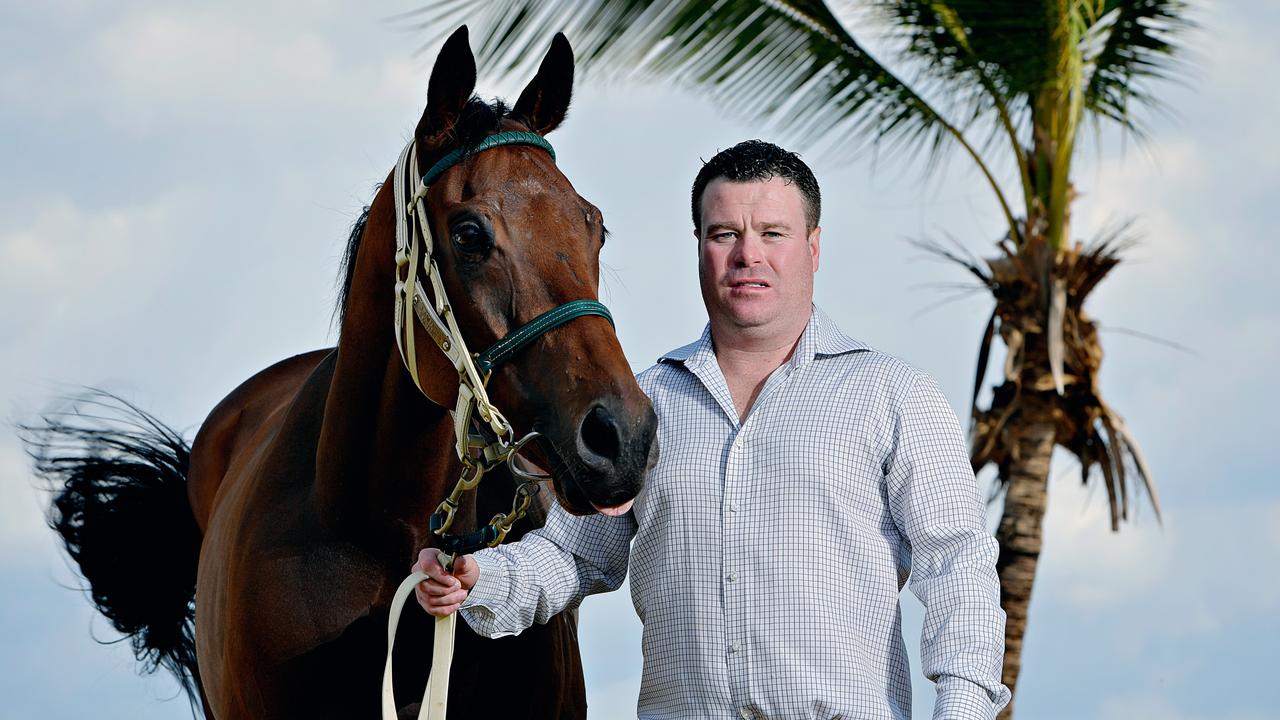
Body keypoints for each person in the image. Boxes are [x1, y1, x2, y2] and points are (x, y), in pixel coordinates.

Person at [415, 140, 1010, 719]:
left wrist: (961, 710)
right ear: (699, 247)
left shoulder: (895, 395)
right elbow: (573, 558)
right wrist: (478, 581)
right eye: (725, 234)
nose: (748, 255)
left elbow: (958, 568)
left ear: (814, 247)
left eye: (772, 234)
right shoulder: (644, 406)